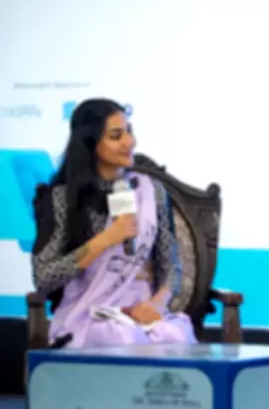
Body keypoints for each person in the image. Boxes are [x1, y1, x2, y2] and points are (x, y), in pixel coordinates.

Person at [31, 98, 197, 348]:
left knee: (177, 335)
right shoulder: (64, 199)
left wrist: (156, 304)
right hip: (88, 317)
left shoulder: (150, 192)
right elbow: (44, 277)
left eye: (129, 132)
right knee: (120, 339)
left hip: (139, 315)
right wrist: (105, 240)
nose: (129, 142)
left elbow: (170, 266)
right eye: (116, 136)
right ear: (90, 142)